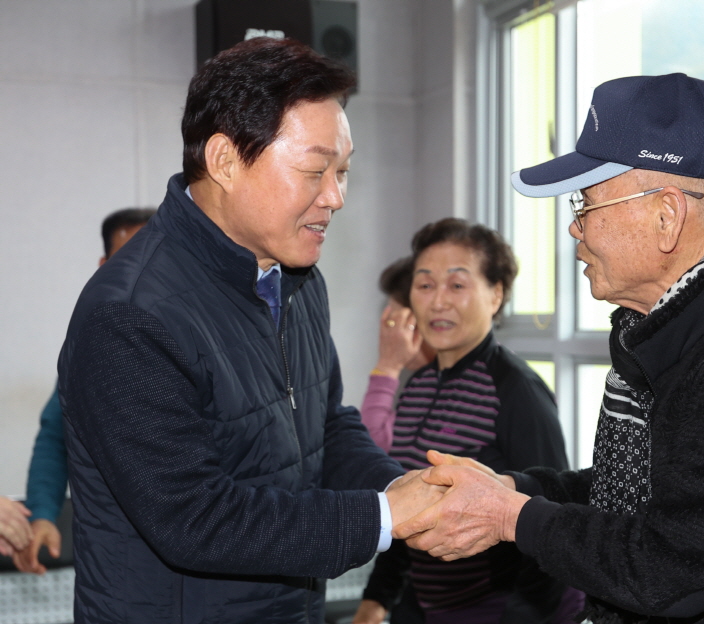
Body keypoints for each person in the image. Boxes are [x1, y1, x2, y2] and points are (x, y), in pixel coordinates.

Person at [393, 73, 704, 623]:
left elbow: (676, 565)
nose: (574, 229)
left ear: (667, 215)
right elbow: (648, 492)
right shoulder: (675, 325)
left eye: (585, 204)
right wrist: (514, 487)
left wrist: (512, 516)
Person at [56, 38, 441, 624]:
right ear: (225, 161)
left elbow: (324, 425)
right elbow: (194, 518)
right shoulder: (130, 315)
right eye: (315, 171)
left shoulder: (295, 278)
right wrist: (384, 518)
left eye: (343, 172)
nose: (335, 197)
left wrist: (405, 491)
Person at [355, 218, 582, 624]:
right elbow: (405, 500)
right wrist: (376, 599)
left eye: (457, 285)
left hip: (503, 611)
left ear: (496, 294)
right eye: (425, 285)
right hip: (425, 606)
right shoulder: (419, 384)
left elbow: (552, 516)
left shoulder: (517, 390)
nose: (438, 302)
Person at [13, 207, 155, 575]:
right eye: (127, 260)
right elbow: (58, 436)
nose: (143, 273)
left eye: (154, 258)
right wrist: (43, 514)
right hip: (118, 555)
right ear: (104, 265)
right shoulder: (94, 343)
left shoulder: (208, 336)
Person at [360, 256, 434, 452]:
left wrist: (388, 366)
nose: (392, 334)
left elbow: (373, 448)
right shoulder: (423, 383)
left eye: (397, 322)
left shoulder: (467, 385)